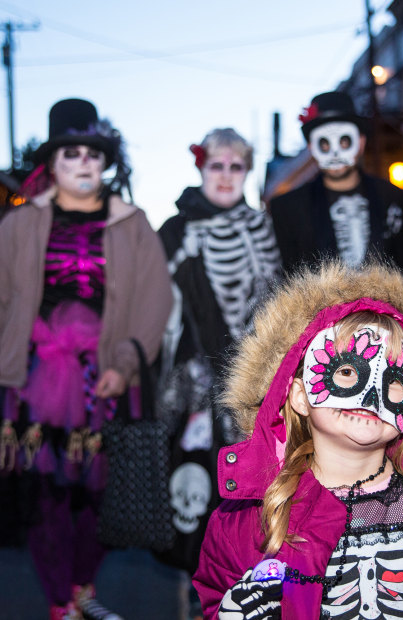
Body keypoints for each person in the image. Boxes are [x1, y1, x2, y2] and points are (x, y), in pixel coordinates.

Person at [193, 261, 403, 619]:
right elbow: (213, 595)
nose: (373, 397)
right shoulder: (247, 522)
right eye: (346, 372)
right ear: (298, 394)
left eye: (394, 381)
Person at [0, 98, 173, 620]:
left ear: (106, 163)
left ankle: (82, 585)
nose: (83, 163)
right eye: (71, 153)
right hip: (31, 380)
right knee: (43, 495)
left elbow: (155, 300)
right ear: (51, 164)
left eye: (92, 154)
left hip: (106, 379)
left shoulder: (134, 225)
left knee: (100, 496)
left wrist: (124, 363)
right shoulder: (18, 227)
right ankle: (59, 599)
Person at [158, 128, 281, 617]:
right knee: (202, 484)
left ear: (247, 171)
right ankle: (198, 588)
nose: (226, 176)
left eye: (236, 167)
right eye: (216, 166)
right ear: (201, 169)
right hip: (200, 384)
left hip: (262, 377)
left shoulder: (263, 225)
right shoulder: (177, 229)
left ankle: (255, 586)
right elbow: (161, 311)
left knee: (262, 486)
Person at [267, 91, 403, 275]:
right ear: (311, 147)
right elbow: (287, 278)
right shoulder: (288, 209)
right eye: (324, 144)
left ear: (360, 142)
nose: (334, 153)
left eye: (344, 142)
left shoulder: (390, 195)